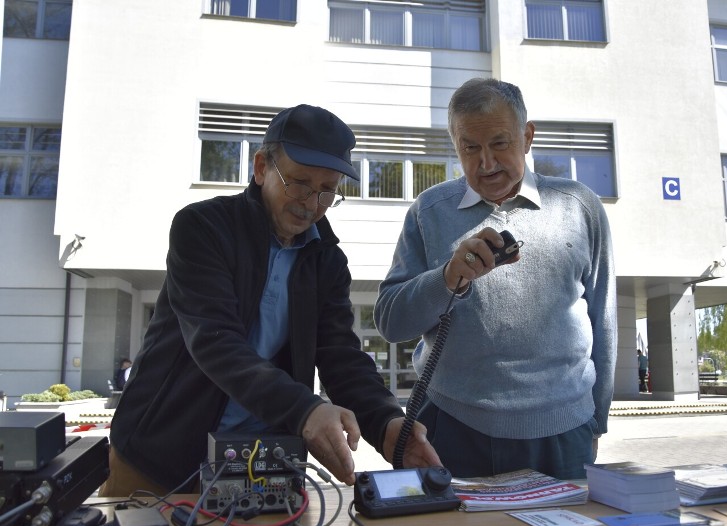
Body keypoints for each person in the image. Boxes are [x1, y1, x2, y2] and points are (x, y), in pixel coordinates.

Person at [101, 104, 439, 497]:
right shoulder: (202, 228)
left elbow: (340, 357)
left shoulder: (327, 259)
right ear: (261, 168)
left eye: (327, 190)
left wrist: (387, 425)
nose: (311, 204)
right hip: (160, 455)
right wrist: (305, 411)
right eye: (299, 183)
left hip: (266, 463)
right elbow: (215, 342)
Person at [375, 77, 616, 483]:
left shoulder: (580, 207)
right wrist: (447, 277)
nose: (486, 163)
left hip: (563, 432)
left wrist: (597, 422)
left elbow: (604, 319)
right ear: (455, 146)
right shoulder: (429, 211)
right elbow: (390, 322)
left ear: (528, 137)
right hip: (451, 428)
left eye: (500, 144)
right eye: (470, 148)